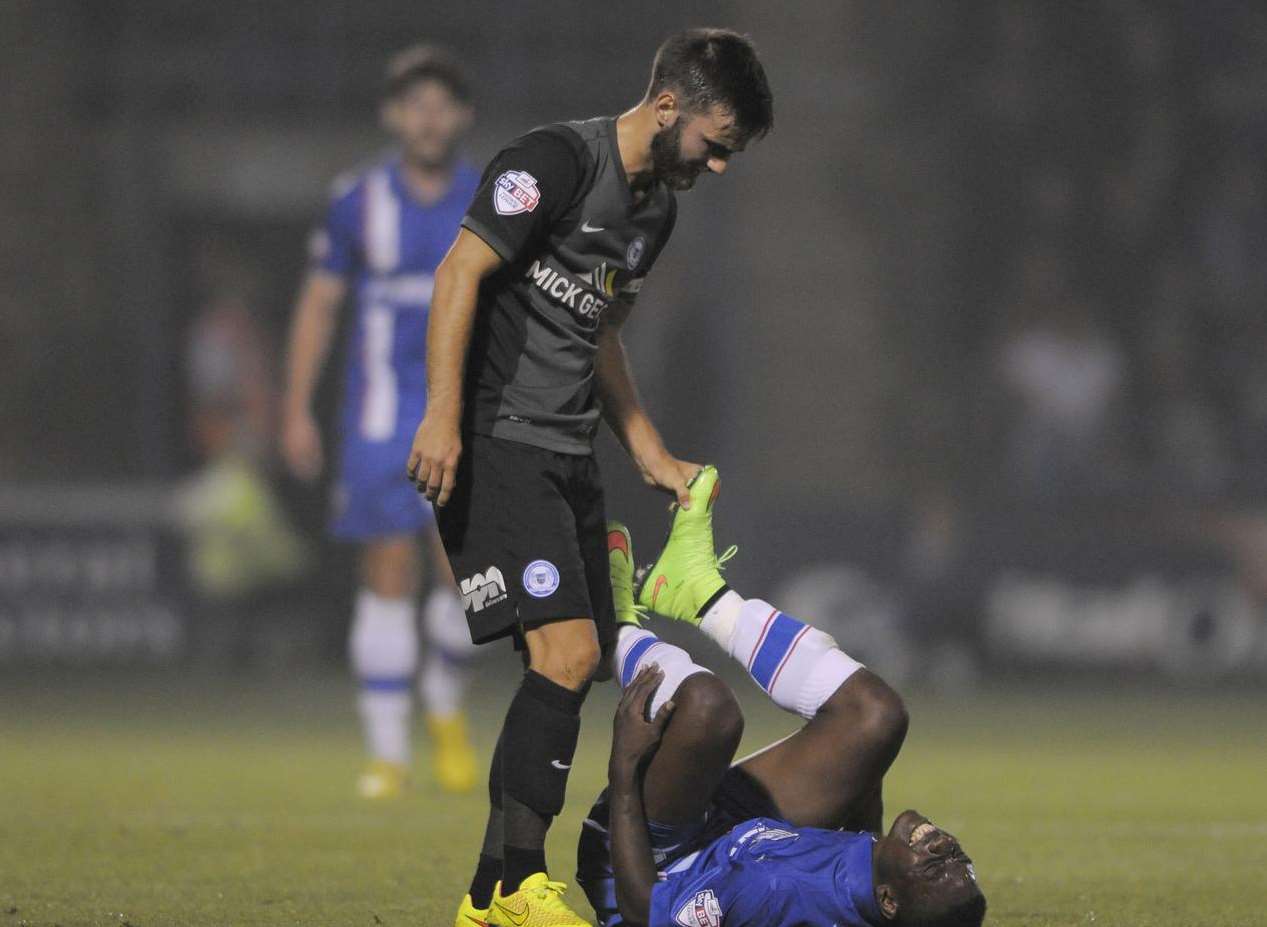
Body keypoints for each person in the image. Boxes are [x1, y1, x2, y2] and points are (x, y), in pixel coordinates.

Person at [407, 28, 774, 927]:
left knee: (570, 666)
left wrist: (647, 447)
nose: (718, 166)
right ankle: (517, 886)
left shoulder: (655, 210)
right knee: (566, 657)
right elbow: (458, 275)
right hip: (499, 439)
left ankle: (483, 896)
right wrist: (442, 418)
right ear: (666, 106)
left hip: (568, 454)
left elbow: (598, 330)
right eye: (714, 143)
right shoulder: (549, 163)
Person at [577, 466, 987, 927]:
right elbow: (858, 835)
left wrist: (625, 768)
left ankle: (611, 635)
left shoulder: (775, 894)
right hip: (740, 840)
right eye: (958, 858)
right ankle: (703, 595)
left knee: (709, 710)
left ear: (890, 902)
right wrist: (858, 764)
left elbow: (644, 913)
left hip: (647, 862)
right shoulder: (873, 889)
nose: (943, 847)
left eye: (935, 865)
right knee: (875, 717)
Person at [281, 45, 481, 799]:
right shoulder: (357, 198)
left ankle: (444, 709)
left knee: (464, 574)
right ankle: (389, 753)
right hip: (377, 416)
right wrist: (296, 404)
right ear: (392, 115)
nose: (428, 116)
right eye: (414, 102)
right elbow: (320, 303)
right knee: (387, 571)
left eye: (441, 102)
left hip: (460, 408)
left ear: (461, 115)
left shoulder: (490, 195)